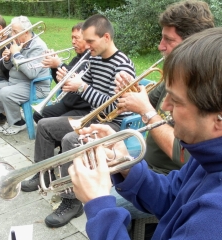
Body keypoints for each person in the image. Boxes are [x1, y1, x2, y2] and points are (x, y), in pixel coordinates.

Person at [69, 27, 222, 240]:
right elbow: (171, 198)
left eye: (176, 101)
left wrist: (100, 207)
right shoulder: (208, 156)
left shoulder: (214, 218)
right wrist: (126, 165)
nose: (165, 106)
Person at [21, 14, 135, 228]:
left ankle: (71, 201)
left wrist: (81, 86)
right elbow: (85, 91)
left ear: (106, 37)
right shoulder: (94, 59)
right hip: (89, 117)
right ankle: (42, 175)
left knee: (71, 139)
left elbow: (113, 107)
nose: (87, 46)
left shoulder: (123, 66)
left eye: (90, 41)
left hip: (109, 124)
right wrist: (69, 79)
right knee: (45, 126)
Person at [0, 16, 51, 135]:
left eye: (15, 31)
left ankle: (17, 123)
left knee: (5, 92)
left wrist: (16, 54)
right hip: (15, 82)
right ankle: (11, 119)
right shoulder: (18, 42)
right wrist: (7, 59)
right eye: (12, 31)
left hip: (34, 85)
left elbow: (32, 73)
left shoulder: (38, 46)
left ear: (26, 32)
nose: (12, 34)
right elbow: (8, 68)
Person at [33, 22, 91, 124]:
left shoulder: (90, 59)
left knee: (53, 124)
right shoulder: (76, 58)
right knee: (38, 115)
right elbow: (61, 83)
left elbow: (77, 76)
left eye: (76, 38)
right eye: (72, 38)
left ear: (87, 40)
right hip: (69, 103)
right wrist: (54, 67)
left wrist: (59, 64)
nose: (73, 42)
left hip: (83, 107)